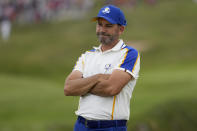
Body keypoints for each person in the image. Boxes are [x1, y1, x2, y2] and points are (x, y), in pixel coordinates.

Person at [64, 5, 140, 131]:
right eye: (99, 24)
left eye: (108, 26)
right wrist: (98, 77)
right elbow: (68, 88)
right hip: (81, 125)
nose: (102, 29)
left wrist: (82, 85)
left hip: (110, 127)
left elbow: (111, 88)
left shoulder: (129, 53)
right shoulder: (87, 55)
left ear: (121, 29)